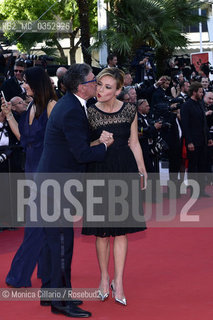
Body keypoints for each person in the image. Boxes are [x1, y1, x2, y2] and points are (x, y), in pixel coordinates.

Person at [36, 63, 113, 318]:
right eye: (94, 80)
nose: (97, 83)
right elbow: (81, 154)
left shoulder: (70, 105)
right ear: (82, 86)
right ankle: (60, 301)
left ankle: (52, 293)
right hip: (57, 188)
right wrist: (104, 146)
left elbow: (73, 147)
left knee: (53, 244)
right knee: (60, 244)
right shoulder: (71, 110)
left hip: (52, 184)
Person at [82, 68, 147, 306]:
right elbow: (82, 146)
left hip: (124, 170)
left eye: (108, 87)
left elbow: (134, 142)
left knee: (120, 230)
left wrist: (141, 170)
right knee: (101, 232)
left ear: (119, 90)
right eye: (99, 85)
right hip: (98, 171)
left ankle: (118, 281)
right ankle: (104, 277)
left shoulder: (130, 110)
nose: (100, 90)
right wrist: (99, 140)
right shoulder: (88, 112)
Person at [1, 66, 56, 287]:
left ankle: (19, 275)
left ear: (36, 84)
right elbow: (22, 136)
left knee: (35, 225)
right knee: (43, 224)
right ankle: (47, 269)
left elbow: (61, 140)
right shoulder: (32, 105)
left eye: (26, 82)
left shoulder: (52, 106)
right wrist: (8, 114)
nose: (23, 85)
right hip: (31, 170)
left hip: (47, 172)